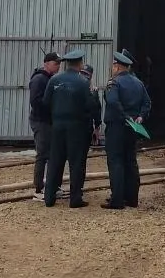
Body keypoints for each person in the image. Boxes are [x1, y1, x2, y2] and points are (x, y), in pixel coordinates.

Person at [40, 49, 101, 208]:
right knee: (77, 162)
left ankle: (49, 197)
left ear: (66, 63)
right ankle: (75, 198)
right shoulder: (83, 83)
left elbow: (45, 103)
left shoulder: (54, 80)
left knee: (55, 161)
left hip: (58, 126)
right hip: (77, 128)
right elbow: (90, 106)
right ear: (80, 64)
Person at [102, 51, 151, 210]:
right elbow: (147, 103)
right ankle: (132, 199)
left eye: (113, 65)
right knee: (130, 161)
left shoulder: (114, 83)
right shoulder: (138, 83)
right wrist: (140, 117)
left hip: (117, 126)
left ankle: (117, 200)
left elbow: (113, 101)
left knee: (115, 162)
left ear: (117, 66)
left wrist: (124, 117)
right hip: (133, 128)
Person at [28, 52, 62, 200]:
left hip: (48, 121)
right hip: (41, 121)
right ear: (47, 63)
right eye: (56, 63)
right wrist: (50, 109)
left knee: (50, 154)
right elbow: (35, 102)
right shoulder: (39, 79)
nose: (58, 66)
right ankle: (38, 189)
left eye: (59, 63)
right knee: (42, 155)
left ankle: (51, 186)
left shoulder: (50, 79)